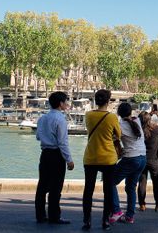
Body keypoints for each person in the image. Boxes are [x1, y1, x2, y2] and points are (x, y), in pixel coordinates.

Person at [82, 89, 122, 231]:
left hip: (91, 157)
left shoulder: (88, 115)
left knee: (88, 190)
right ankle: (105, 221)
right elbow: (119, 134)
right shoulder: (112, 117)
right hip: (108, 158)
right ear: (108, 101)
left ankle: (86, 221)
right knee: (108, 191)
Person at [35, 91, 76, 225]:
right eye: (66, 101)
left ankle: (40, 215)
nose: (67, 104)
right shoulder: (60, 119)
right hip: (56, 155)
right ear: (60, 104)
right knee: (55, 188)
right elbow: (62, 142)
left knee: (42, 186)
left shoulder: (42, 118)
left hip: (45, 153)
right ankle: (54, 216)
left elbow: (38, 137)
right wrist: (69, 159)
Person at [109, 102, 147, 224]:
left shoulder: (120, 125)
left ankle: (116, 211)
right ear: (130, 112)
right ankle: (129, 216)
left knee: (110, 182)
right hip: (142, 158)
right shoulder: (137, 121)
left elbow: (112, 138)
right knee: (131, 187)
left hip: (131, 158)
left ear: (119, 113)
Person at [137, 107, 158, 212]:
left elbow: (140, 121)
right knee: (156, 183)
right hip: (154, 161)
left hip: (141, 159)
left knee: (142, 183)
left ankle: (142, 205)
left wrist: (149, 114)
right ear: (149, 120)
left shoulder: (138, 130)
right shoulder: (154, 129)